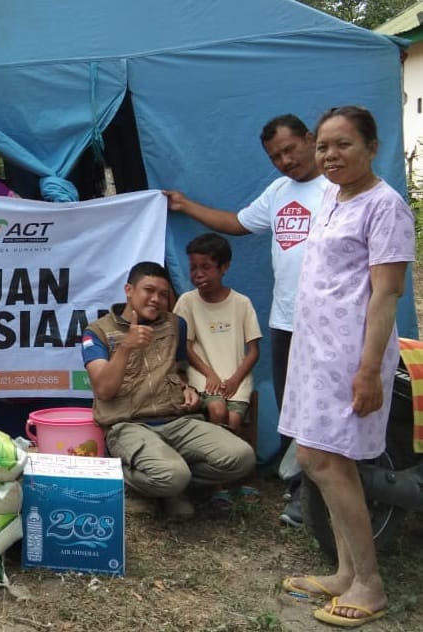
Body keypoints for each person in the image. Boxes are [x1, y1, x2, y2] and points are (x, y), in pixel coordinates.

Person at [279, 106, 414, 628]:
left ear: (372, 147)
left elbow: (387, 294)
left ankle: (370, 585)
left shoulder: (386, 207)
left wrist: (366, 370)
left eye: (344, 145)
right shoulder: (333, 198)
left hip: (351, 357)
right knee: (315, 460)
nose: (331, 156)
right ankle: (343, 571)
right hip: (316, 351)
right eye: (324, 147)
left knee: (332, 463)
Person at [163, 113, 330, 526]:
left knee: (323, 410)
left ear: (310, 140)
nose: (285, 161)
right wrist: (185, 205)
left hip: (330, 323)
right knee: (293, 408)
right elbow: (236, 224)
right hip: (287, 320)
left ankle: (323, 496)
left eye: (290, 150)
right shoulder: (279, 192)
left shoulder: (339, 189)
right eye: (276, 156)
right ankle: (299, 493)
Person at [81, 261, 255, 519]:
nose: (156, 299)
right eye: (148, 290)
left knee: (242, 457)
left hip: (177, 420)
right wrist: (126, 347)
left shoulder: (176, 324)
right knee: (173, 475)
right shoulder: (97, 332)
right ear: (129, 290)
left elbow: (179, 369)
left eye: (163, 294)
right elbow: (104, 390)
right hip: (127, 425)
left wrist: (187, 388)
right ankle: (140, 484)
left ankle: (167, 484)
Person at [173, 233, 262, 503]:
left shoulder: (241, 303)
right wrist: (210, 373)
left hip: (237, 378)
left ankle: (231, 479)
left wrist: (235, 379)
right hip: (203, 379)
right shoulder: (187, 302)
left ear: (224, 267)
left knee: (233, 420)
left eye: (206, 267)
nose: (198, 274)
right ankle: (220, 486)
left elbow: (254, 350)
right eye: (193, 268)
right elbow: (184, 345)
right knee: (217, 409)